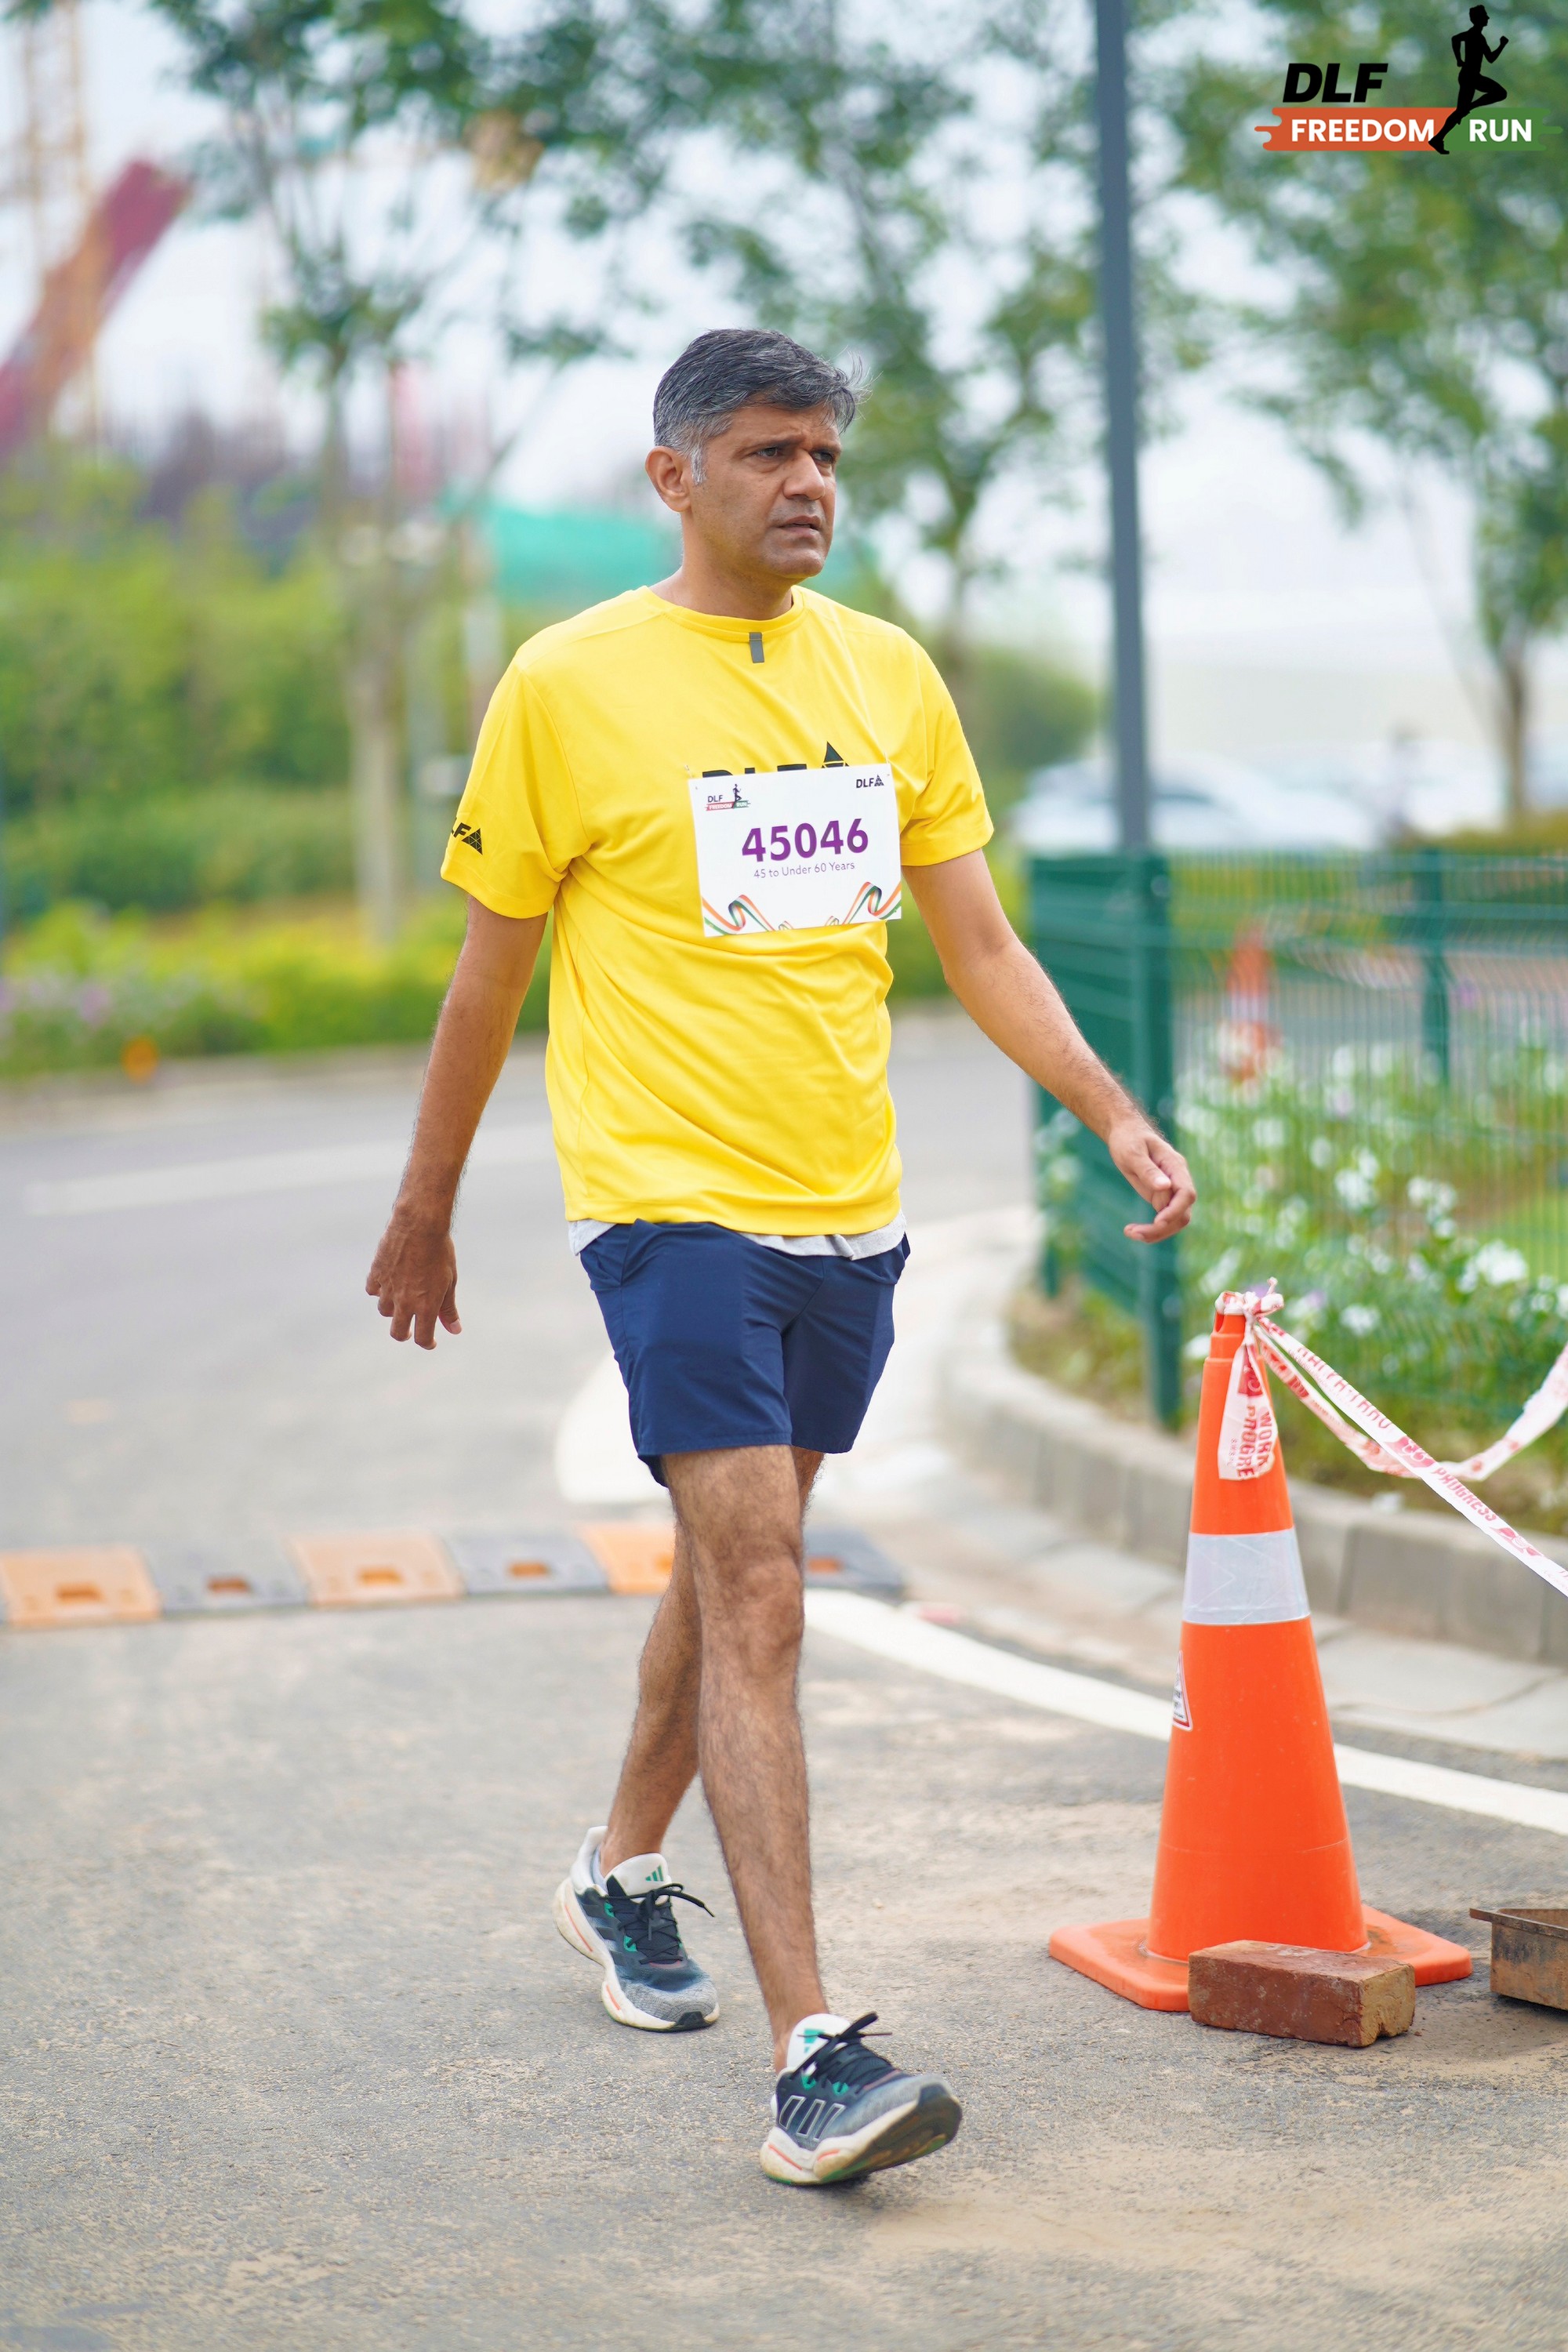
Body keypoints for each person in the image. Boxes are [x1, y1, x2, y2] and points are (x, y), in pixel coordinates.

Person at [365, 328, 1196, 2187]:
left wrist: (1106, 1108)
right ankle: (812, 2059)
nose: (805, 482)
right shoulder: (566, 683)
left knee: (731, 1562)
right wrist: (425, 1204)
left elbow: (979, 943)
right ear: (673, 478)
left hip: (849, 1209)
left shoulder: (885, 674)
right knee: (760, 1590)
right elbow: (489, 976)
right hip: (669, 1204)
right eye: (764, 452)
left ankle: (615, 1871)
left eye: (822, 452)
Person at [1429, 5, 1508, 152]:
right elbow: (1456, 40)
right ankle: (1439, 137)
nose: (1488, 18)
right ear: (1478, 18)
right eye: (1485, 15)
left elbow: (1489, 57)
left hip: (1471, 76)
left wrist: (1459, 59)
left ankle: (1438, 138)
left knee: (1460, 111)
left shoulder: (1478, 36)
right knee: (1500, 93)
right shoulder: (1474, 35)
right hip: (1470, 76)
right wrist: (1502, 45)